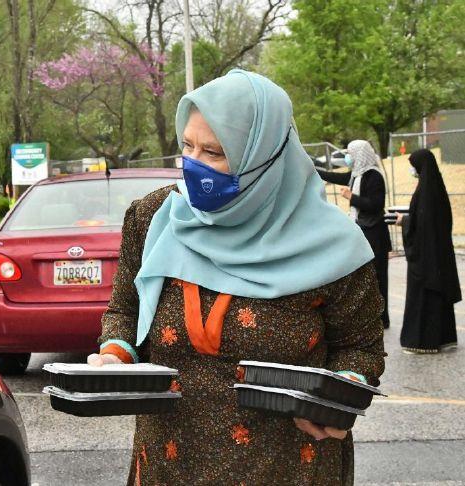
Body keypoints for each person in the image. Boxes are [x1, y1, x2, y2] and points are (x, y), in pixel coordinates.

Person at [87, 70, 385, 485]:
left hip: (288, 466)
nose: (194, 165)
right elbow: (126, 309)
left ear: (265, 155)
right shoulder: (154, 218)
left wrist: (340, 398)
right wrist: (115, 354)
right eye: (187, 146)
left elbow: (361, 348)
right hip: (169, 462)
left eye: (214, 151)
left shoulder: (334, 247)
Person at [316, 140, 392, 328]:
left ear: (360, 154)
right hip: (364, 230)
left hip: (375, 232)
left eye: (350, 153)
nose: (347, 157)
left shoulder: (373, 176)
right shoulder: (357, 175)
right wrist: (313, 168)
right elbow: (335, 177)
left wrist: (352, 198)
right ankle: (370, 316)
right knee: (365, 277)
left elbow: (375, 205)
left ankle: (383, 318)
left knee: (378, 276)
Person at [396, 149, 460, 354]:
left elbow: (422, 225)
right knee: (437, 294)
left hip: (426, 258)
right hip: (438, 255)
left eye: (414, 166)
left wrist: (404, 221)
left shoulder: (426, 192)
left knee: (424, 297)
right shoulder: (436, 188)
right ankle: (444, 339)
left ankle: (422, 342)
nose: (412, 170)